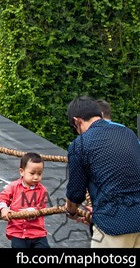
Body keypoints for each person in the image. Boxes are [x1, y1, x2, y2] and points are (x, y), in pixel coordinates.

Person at [64, 95, 140, 248]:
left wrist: (71, 212)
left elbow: (75, 193)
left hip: (114, 225)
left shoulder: (80, 144)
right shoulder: (128, 133)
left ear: (77, 121)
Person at [0, 152, 50, 248]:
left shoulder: (42, 190)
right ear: (22, 171)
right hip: (18, 233)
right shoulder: (14, 186)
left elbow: (41, 207)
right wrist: (3, 209)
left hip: (37, 233)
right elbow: (2, 198)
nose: (36, 177)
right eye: (32, 173)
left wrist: (31, 211)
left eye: (39, 174)